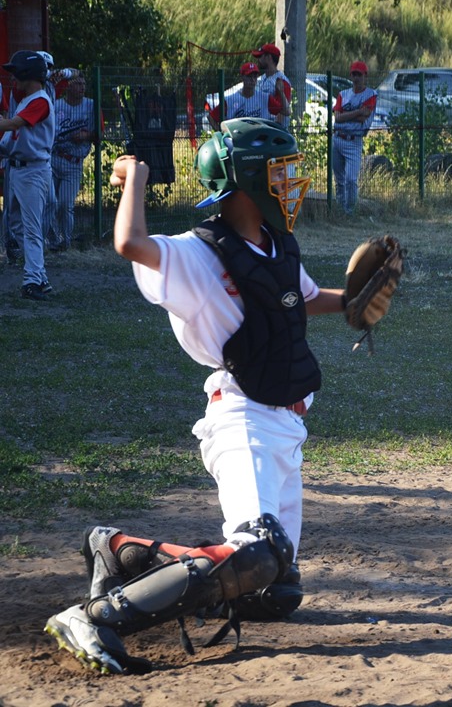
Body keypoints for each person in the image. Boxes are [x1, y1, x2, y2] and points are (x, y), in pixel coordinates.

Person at [44, 117, 349, 675]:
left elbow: (299, 299)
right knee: (257, 553)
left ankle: (119, 551)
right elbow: (130, 242)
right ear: (247, 181)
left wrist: (356, 299)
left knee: (274, 587)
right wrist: (134, 175)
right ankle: (98, 615)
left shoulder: (275, 245)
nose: (292, 182)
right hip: (241, 419)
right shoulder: (196, 252)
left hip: (284, 427)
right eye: (280, 171)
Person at [0, 50, 56, 300]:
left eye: (16, 72)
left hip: (33, 171)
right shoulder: (26, 100)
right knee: (16, 225)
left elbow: (12, 125)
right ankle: (39, 275)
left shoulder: (40, 100)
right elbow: (10, 137)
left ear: (28, 74)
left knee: (31, 228)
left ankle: (32, 280)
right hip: (17, 168)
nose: (13, 78)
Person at [49, 70, 98, 250]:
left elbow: (101, 134)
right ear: (68, 86)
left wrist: (87, 135)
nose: (82, 88)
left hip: (73, 162)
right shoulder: (57, 105)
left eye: (84, 85)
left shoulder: (91, 105)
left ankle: (66, 241)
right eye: (78, 84)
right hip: (54, 158)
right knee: (50, 203)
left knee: (65, 204)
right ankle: (54, 241)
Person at [331, 60, 377, 215]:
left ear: (365, 76)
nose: (356, 78)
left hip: (354, 140)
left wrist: (346, 116)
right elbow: (337, 118)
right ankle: (340, 210)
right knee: (339, 180)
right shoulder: (343, 94)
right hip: (338, 138)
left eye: (359, 74)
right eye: (354, 74)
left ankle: (351, 211)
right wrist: (357, 112)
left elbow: (365, 117)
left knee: (351, 179)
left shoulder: (370, 94)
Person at [206, 62, 264, 130]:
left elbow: (278, 110)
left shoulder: (264, 98)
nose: (252, 80)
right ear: (242, 77)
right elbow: (211, 117)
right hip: (237, 138)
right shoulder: (230, 100)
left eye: (255, 76)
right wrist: (222, 133)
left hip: (259, 137)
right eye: (249, 76)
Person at [252, 43, 291, 130]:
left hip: (274, 131)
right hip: (261, 127)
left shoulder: (282, 80)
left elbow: (283, 110)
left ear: (269, 57)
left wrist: (276, 130)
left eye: (260, 56)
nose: (258, 60)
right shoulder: (261, 79)